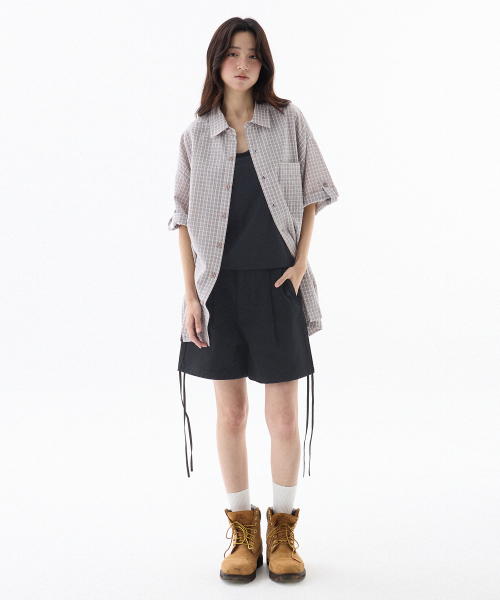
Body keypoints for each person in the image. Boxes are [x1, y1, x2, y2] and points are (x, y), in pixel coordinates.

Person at [167, 17, 339, 583]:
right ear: (216, 61)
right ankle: (242, 531)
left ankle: (282, 532)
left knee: (283, 416)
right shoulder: (196, 135)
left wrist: (301, 263)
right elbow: (182, 219)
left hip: (276, 285)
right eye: (232, 53)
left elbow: (314, 192)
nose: (242, 64)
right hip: (218, 289)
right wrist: (191, 296)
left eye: (253, 55)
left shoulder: (287, 121)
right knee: (232, 413)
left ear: (264, 64)